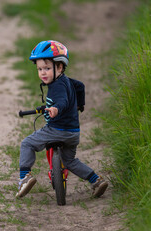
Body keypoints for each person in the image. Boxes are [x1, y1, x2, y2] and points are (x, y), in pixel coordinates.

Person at [16, 40, 108, 199]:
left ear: (59, 67)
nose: (42, 73)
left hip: (57, 130)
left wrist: (56, 108)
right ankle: (96, 181)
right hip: (73, 133)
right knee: (70, 161)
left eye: (46, 68)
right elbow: (80, 86)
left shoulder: (57, 86)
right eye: (39, 69)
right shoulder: (67, 81)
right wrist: (79, 104)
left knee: (27, 143)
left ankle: (25, 177)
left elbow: (62, 101)